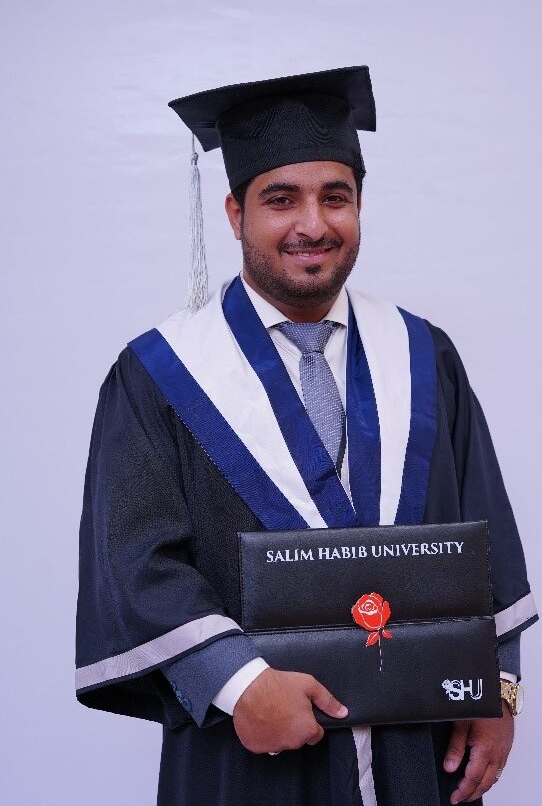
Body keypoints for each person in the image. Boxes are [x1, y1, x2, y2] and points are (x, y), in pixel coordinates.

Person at [75, 67, 537, 806]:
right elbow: (135, 562)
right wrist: (237, 682)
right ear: (235, 214)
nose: (313, 225)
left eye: (336, 197)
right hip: (250, 752)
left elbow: (486, 535)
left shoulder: (423, 355)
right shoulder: (160, 374)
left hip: (417, 746)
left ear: (359, 205)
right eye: (281, 199)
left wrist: (499, 686)